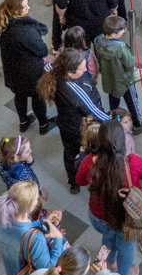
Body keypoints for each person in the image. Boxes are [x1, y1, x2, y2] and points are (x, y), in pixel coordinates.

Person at [76, 119, 142, 275]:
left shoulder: (89, 161)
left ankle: (106, 263)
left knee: (107, 239)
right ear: (122, 141)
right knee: (125, 247)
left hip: (98, 217)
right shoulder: (133, 161)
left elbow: (80, 181)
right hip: (126, 217)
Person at [38, 49, 109, 193]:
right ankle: (92, 178)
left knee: (69, 153)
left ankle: (73, 182)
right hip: (81, 128)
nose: (85, 69)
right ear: (70, 73)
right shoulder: (75, 89)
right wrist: (111, 121)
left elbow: (48, 66)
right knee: (90, 152)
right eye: (82, 67)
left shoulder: (55, 70)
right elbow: (93, 110)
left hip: (65, 124)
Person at [0, 0, 58, 135]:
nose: (28, 8)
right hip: (30, 70)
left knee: (19, 95)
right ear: (16, 10)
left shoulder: (0, 21)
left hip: (12, 69)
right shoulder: (24, 30)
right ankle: (44, 124)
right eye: (25, 6)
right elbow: (42, 51)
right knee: (37, 96)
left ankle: (24, 121)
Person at [0, 181, 66, 275]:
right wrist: (58, 237)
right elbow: (49, 267)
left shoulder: (0, 220)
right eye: (36, 198)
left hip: (13, 274)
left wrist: (43, 222)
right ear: (30, 206)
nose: (38, 199)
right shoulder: (35, 238)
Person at [94, 16, 142, 136]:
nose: (124, 31)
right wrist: (133, 59)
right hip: (124, 81)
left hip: (109, 79)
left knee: (113, 101)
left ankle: (114, 123)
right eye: (122, 30)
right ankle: (138, 124)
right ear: (114, 33)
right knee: (132, 102)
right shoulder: (121, 48)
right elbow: (129, 65)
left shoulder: (98, 41)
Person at [0, 135, 47, 199]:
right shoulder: (19, 174)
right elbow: (27, 190)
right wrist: (40, 193)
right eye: (27, 151)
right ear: (16, 158)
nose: (31, 150)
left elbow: (26, 165)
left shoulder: (8, 160)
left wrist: (30, 161)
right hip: (27, 195)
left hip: (20, 189)